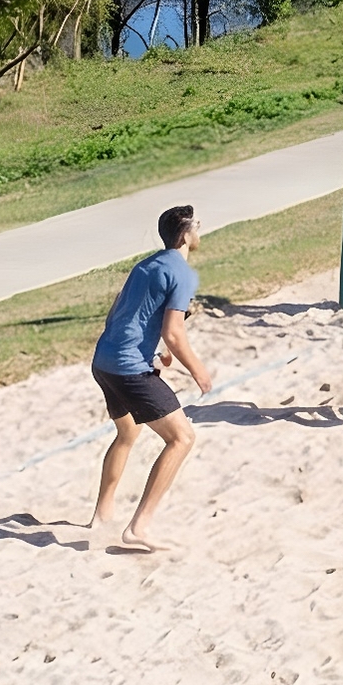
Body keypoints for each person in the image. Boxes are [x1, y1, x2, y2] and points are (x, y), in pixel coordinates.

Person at [87, 204, 216, 552]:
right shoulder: (183, 273)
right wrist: (198, 371)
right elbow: (174, 333)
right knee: (182, 438)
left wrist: (154, 353)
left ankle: (102, 514)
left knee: (128, 432)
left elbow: (120, 313)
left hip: (104, 361)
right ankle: (139, 527)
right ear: (186, 235)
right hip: (129, 368)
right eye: (198, 226)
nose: (200, 232)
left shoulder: (145, 265)